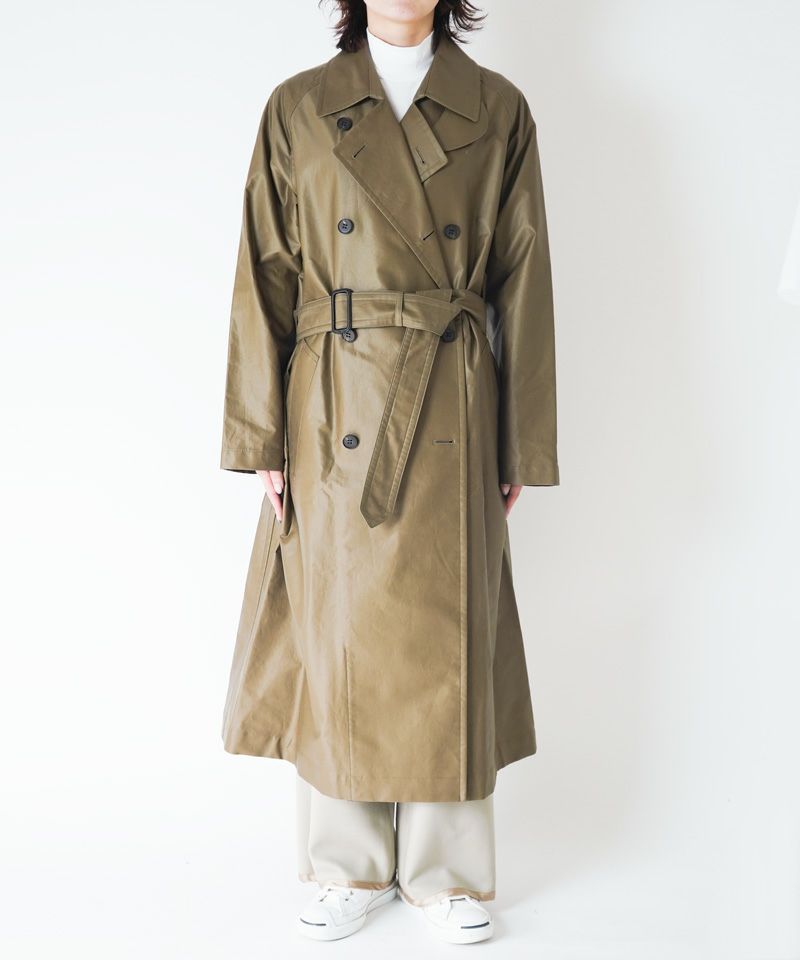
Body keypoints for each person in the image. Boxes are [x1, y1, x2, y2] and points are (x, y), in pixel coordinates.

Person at [218, 0, 560, 944]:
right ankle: (346, 864)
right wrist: (260, 435)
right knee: (339, 623)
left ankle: (447, 872)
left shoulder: (498, 108)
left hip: (452, 399)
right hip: (333, 404)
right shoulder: (298, 106)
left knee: (452, 624)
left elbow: (524, 278)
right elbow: (263, 273)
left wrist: (521, 441)